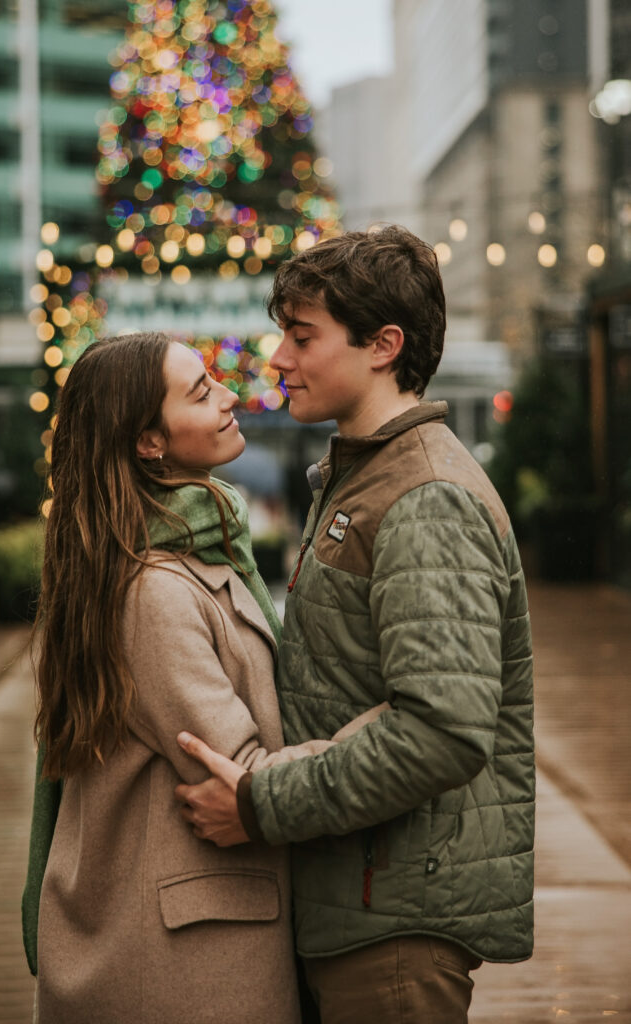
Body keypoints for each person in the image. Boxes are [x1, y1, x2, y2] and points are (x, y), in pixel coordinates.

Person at [174, 226, 535, 1024]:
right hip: (359, 904)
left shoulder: (424, 496)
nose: (277, 359)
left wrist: (263, 804)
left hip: (394, 926)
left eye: (302, 337)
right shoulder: (365, 480)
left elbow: (442, 729)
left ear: (383, 345)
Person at [23, 331, 380, 1024]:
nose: (226, 395)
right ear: (148, 442)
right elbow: (237, 772)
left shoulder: (188, 557)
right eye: (199, 390)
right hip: (185, 963)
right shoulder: (154, 591)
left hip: (187, 940)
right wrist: (386, 725)